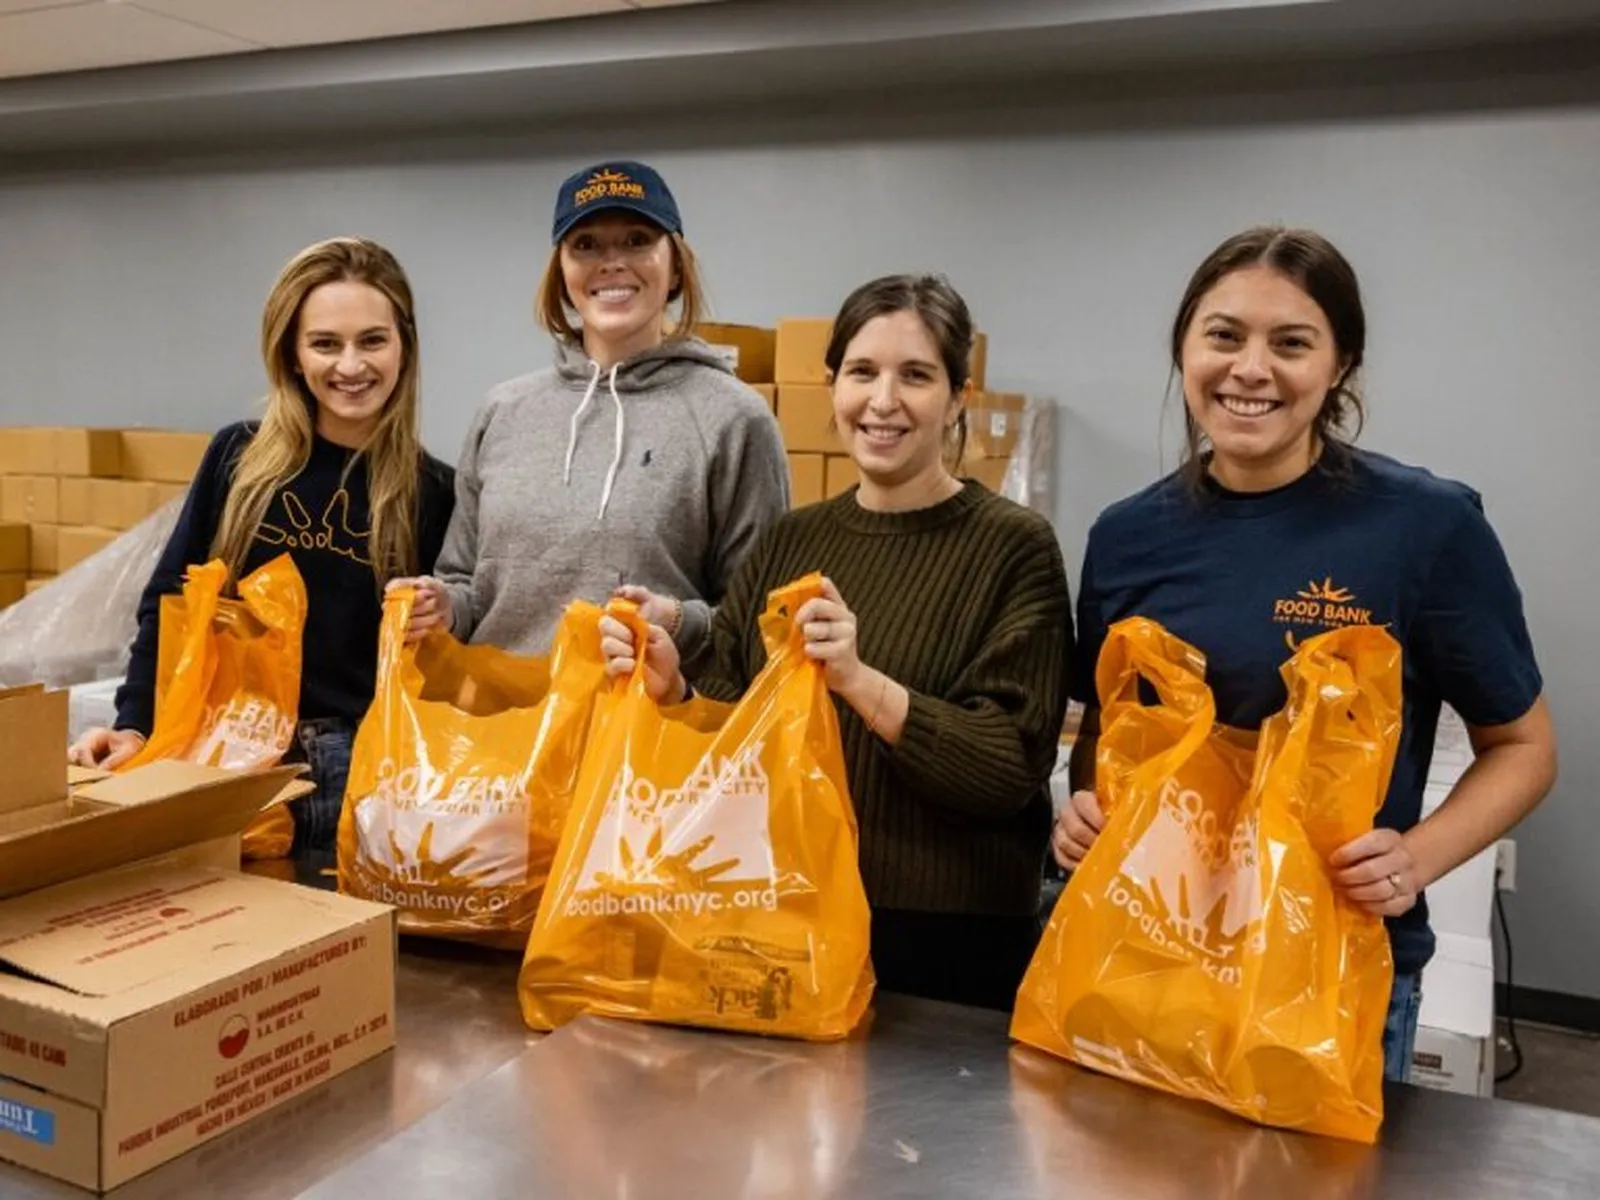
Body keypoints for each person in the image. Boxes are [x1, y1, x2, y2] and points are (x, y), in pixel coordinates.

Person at [1052, 226, 1557, 1079]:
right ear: (1184, 349)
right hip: (1147, 952)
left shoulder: (1425, 528)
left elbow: (1525, 748)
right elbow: (1106, 729)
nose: (1251, 368)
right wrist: (1084, 810)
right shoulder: (1128, 535)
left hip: (1327, 968)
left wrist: (1418, 856)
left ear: (1340, 367)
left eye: (1291, 343)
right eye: (1224, 335)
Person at [600, 274, 1074, 1012]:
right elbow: (732, 729)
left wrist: (858, 680)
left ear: (959, 398)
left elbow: (1008, 766)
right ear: (833, 387)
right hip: (780, 914)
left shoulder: (1014, 548)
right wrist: (675, 691)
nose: (883, 401)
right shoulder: (791, 539)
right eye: (862, 373)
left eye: (915, 375)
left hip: (943, 946)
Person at [69, 236, 456, 851]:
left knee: (334, 943)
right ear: (293, 355)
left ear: (404, 347)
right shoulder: (239, 458)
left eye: (373, 340)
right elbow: (169, 600)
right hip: (223, 752)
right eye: (325, 343)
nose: (351, 366)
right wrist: (134, 725)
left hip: (363, 765)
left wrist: (441, 615)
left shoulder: (434, 490)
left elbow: (446, 654)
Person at [393, 160, 787, 676]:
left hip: (641, 741)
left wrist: (673, 622)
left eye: (637, 239)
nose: (611, 262)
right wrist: (442, 606)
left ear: (675, 266)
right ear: (561, 270)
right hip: (498, 735)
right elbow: (467, 585)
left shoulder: (734, 419)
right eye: (585, 245)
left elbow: (759, 623)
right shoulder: (503, 411)